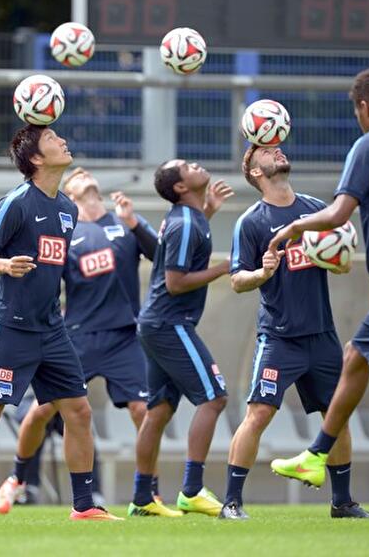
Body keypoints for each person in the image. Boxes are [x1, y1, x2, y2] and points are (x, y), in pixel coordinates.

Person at [268, 67, 369, 526]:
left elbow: (339, 212)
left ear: (363, 106)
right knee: (355, 356)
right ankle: (317, 454)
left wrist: (296, 227)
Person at [0, 125, 120, 522]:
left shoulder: (69, 210)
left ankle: (84, 505)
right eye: (53, 139)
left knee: (79, 411)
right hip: (11, 326)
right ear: (37, 158)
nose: (63, 141)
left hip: (52, 329)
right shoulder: (17, 202)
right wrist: (3, 264)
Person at [0, 167, 187, 516]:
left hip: (124, 335)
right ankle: (17, 479)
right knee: (41, 412)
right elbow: (46, 280)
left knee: (145, 410)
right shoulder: (65, 230)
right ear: (69, 192)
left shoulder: (123, 221)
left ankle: (147, 495)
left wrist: (135, 223)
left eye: (85, 172)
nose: (82, 173)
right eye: (75, 174)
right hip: (77, 336)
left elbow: (164, 260)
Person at [219, 144, 369, 520]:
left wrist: (336, 261)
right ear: (256, 172)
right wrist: (263, 272)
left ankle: (342, 502)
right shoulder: (251, 222)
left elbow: (342, 265)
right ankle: (232, 503)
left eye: (279, 148)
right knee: (258, 414)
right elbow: (237, 280)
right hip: (279, 338)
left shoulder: (315, 208)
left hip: (321, 335)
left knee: (335, 416)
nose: (279, 152)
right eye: (268, 152)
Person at [130, 159, 231, 518]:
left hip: (156, 323)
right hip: (169, 323)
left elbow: (188, 237)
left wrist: (209, 211)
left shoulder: (191, 217)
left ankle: (142, 498)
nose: (197, 164)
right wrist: (224, 267)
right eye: (187, 166)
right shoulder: (186, 222)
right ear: (180, 188)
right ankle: (191, 489)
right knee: (215, 398)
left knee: (157, 412)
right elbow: (175, 283)